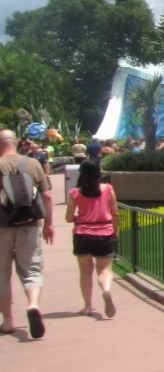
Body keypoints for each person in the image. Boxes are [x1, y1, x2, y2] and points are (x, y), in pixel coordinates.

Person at [0, 128, 55, 338]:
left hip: (1, 226)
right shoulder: (32, 163)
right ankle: (32, 304)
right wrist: (49, 223)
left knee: (2, 274)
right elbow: (47, 195)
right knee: (31, 270)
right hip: (30, 224)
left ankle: (8, 322)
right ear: (16, 143)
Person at [65, 160, 118, 319]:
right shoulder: (108, 189)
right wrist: (115, 231)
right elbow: (115, 213)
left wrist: (81, 217)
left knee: (85, 272)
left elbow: (68, 218)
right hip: (103, 232)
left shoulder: (75, 192)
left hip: (82, 233)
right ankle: (106, 289)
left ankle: (87, 306)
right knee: (104, 270)